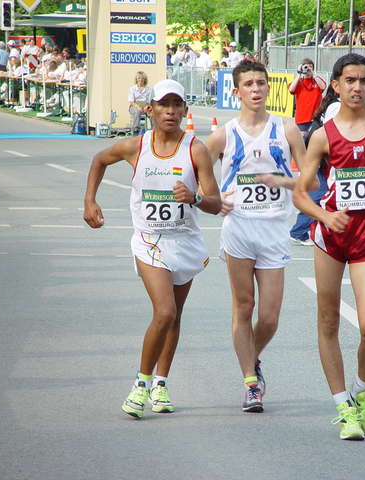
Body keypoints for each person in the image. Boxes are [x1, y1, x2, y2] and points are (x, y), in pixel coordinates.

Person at [83, 79, 221, 419]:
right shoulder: (136, 146)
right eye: (163, 105)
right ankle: (141, 384)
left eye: (176, 105)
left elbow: (216, 203)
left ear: (185, 110)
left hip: (184, 241)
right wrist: (90, 200)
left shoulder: (196, 150)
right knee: (165, 312)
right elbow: (99, 159)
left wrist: (194, 197)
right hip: (149, 241)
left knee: (174, 316)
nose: (170, 111)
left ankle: (161, 383)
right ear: (151, 109)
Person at [293, 53, 365, 440]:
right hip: (331, 236)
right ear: (336, 86)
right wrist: (324, 217)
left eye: (363, 80)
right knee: (328, 321)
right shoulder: (323, 135)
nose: (357, 87)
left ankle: (361, 392)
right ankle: (343, 406)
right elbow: (300, 194)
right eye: (349, 80)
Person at [206, 61, 307, 413]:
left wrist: (283, 181)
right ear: (236, 91)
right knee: (243, 306)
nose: (256, 89)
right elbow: (196, 168)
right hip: (239, 229)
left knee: (269, 318)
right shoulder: (225, 134)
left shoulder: (287, 129)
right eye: (248, 84)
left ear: (268, 88)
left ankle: (251, 356)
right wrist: (212, 198)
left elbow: (310, 178)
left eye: (261, 83)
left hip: (274, 229)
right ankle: (251, 382)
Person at [289, 85, 338, 246]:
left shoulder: (332, 104)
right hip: (319, 155)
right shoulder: (336, 107)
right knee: (320, 193)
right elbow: (332, 135)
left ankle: (314, 228)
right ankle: (299, 231)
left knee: (323, 192)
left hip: (318, 153)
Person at [288, 58, 326, 135]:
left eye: (310, 67)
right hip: (301, 119)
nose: (308, 69)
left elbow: (323, 87)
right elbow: (291, 89)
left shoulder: (317, 81)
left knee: (315, 140)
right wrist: (299, 74)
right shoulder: (298, 82)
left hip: (315, 119)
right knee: (302, 141)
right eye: (305, 67)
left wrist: (313, 74)